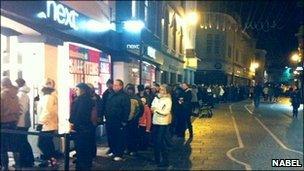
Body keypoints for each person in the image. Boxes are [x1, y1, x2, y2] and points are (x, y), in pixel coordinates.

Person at [69, 83, 95, 170]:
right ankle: (86, 165)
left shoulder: (81, 100)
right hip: (88, 127)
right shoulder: (89, 99)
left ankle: (82, 167)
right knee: (86, 150)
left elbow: (79, 114)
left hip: (81, 128)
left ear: (82, 90)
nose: (75, 91)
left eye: (77, 89)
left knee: (81, 150)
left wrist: (72, 122)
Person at [105, 79, 131, 161]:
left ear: (121, 86)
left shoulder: (124, 96)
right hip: (110, 120)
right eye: (114, 85)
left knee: (119, 137)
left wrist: (124, 120)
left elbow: (126, 109)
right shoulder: (111, 94)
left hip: (119, 120)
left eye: (116, 85)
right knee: (111, 136)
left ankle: (119, 153)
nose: (114, 86)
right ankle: (113, 150)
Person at [37, 78, 58, 167]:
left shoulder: (48, 97)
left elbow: (47, 111)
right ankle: (51, 160)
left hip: (47, 125)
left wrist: (41, 122)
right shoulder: (52, 97)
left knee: (42, 143)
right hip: (50, 124)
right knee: (48, 144)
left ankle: (51, 160)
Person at [1, 77, 21, 171]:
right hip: (13, 123)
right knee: (14, 145)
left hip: (3, 123)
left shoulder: (2, 95)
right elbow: (18, 110)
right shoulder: (16, 95)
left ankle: (5, 166)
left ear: (3, 84)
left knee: (2, 146)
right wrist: (16, 120)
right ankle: (18, 165)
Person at [14, 78, 34, 168]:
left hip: (20, 122)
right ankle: (28, 160)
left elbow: (21, 109)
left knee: (21, 142)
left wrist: (15, 117)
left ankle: (25, 161)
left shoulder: (20, 95)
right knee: (23, 141)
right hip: (24, 122)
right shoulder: (24, 94)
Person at [151, 84, 172, 167]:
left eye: (163, 89)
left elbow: (165, 112)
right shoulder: (157, 97)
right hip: (155, 121)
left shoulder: (168, 100)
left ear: (167, 91)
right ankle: (157, 159)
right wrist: (155, 108)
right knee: (155, 141)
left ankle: (165, 160)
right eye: (160, 89)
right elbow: (152, 105)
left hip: (162, 123)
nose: (161, 91)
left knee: (160, 141)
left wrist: (155, 110)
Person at [124, 83, 144, 156]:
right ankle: (127, 148)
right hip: (126, 120)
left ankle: (133, 149)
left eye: (131, 90)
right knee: (126, 135)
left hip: (133, 121)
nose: (129, 91)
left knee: (133, 135)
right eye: (128, 89)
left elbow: (141, 110)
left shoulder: (136, 99)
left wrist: (136, 117)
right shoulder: (124, 98)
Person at [87, 83, 103, 159]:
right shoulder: (89, 97)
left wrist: (99, 117)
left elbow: (99, 108)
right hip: (89, 120)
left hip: (93, 120)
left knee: (92, 137)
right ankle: (90, 152)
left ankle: (92, 153)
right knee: (90, 137)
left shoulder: (96, 97)